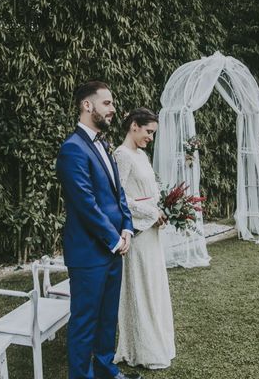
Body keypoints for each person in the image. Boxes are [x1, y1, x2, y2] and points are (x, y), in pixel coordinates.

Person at [56, 81, 142, 379]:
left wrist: (128, 229)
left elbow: (119, 194)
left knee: (107, 319)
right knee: (84, 323)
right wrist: (113, 239)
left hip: (115, 248)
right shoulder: (72, 149)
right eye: (107, 103)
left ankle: (107, 371)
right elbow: (85, 204)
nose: (113, 109)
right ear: (87, 105)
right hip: (89, 253)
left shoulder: (104, 144)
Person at [113, 108, 176, 370]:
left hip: (151, 231)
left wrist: (163, 209)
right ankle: (139, 348)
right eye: (148, 131)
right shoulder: (121, 155)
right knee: (140, 287)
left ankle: (157, 341)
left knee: (154, 285)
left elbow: (150, 191)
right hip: (136, 232)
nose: (151, 137)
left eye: (153, 133)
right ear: (134, 126)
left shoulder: (143, 155)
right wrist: (151, 211)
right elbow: (118, 197)